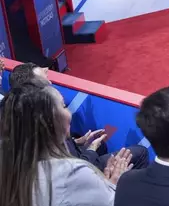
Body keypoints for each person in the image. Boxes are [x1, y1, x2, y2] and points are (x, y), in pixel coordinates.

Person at [0, 83, 132, 206]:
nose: (68, 112)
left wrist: (102, 186)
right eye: (63, 106)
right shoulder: (70, 174)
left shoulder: (9, 172)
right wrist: (117, 184)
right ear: (49, 122)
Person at [8, 62, 150, 171]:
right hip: (80, 166)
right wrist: (91, 150)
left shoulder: (28, 116)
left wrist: (78, 142)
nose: (48, 76)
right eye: (63, 107)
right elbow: (74, 166)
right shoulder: (43, 123)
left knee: (102, 146)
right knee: (140, 152)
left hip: (76, 157)